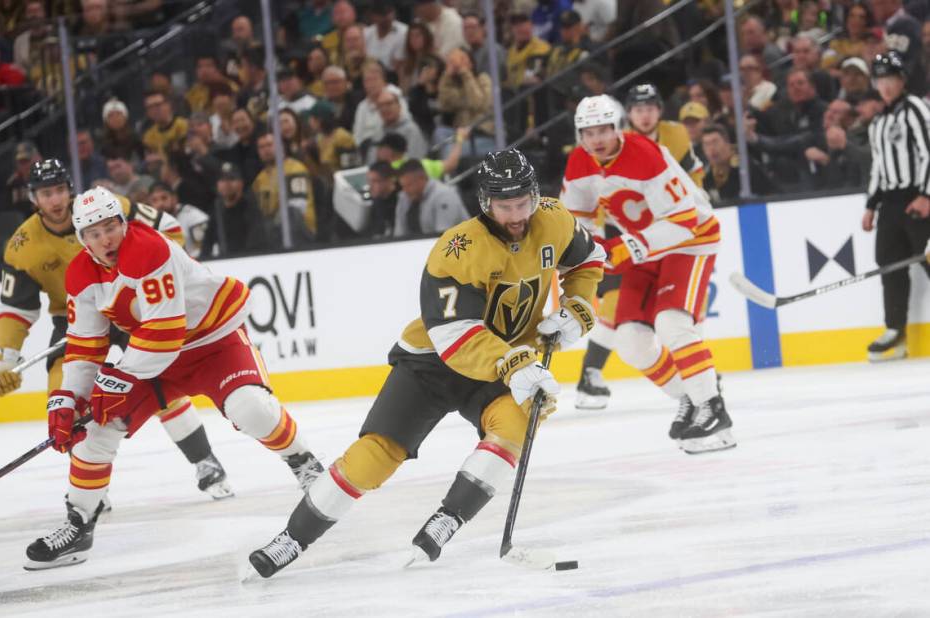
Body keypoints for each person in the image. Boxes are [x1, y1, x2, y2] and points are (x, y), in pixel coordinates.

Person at [247, 149, 605, 577]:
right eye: (505, 206)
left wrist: (577, 307)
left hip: (506, 363)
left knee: (520, 423)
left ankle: (448, 518)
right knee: (376, 456)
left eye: (523, 202)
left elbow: (588, 258)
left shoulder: (554, 218)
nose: (517, 214)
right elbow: (454, 334)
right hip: (436, 361)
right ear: (485, 203)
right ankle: (293, 537)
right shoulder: (458, 248)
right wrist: (515, 363)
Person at [24, 186, 325, 570]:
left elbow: (165, 332)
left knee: (250, 407)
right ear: (82, 240)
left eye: (110, 227)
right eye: (94, 233)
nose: (105, 239)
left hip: (212, 340)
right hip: (153, 358)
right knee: (97, 429)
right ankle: (79, 525)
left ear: (123, 222)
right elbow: (84, 347)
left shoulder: (148, 247)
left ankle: (305, 463)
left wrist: (116, 382)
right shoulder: (81, 274)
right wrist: (68, 400)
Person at [0, 160, 235, 519]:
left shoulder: (104, 207)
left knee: (158, 384)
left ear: (70, 188)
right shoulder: (22, 246)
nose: (54, 200)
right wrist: (6, 359)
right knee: (66, 395)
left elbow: (170, 229)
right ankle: (92, 488)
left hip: (131, 305)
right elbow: (16, 309)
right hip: (78, 320)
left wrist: (153, 273)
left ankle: (205, 461)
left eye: (58, 190)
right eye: (45, 193)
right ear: (33, 198)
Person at [560, 95, 735, 454]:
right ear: (579, 134)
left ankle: (714, 410)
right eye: (588, 132)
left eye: (604, 129)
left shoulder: (644, 153)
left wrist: (625, 249)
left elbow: (685, 219)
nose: (597, 139)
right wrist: (578, 254)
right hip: (646, 248)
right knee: (630, 342)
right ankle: (689, 397)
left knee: (672, 323)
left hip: (691, 240)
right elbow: (575, 219)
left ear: (617, 126)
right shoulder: (579, 162)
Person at [862, 52, 930, 361]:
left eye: (891, 79)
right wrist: (871, 205)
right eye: (880, 80)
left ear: (902, 80)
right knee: (889, 265)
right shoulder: (878, 122)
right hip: (890, 203)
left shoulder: (915, 109)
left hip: (918, 198)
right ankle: (894, 328)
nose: (886, 86)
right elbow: (878, 165)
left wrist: (926, 195)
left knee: (927, 258)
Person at [625, 84, 705, 187]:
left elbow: (692, 170)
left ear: (660, 110)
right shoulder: (620, 142)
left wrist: (697, 197)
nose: (645, 116)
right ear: (629, 114)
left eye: (650, 109)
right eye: (639, 110)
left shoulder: (677, 132)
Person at [394, 159, 470, 236]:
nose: (405, 190)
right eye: (403, 186)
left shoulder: (444, 195)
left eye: (409, 185)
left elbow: (443, 237)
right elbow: (399, 234)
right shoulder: (404, 197)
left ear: (422, 178)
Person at [148, 181, 209, 258]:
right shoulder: (148, 223)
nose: (160, 204)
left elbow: (205, 249)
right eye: (154, 200)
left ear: (174, 199)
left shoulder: (194, 216)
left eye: (164, 198)